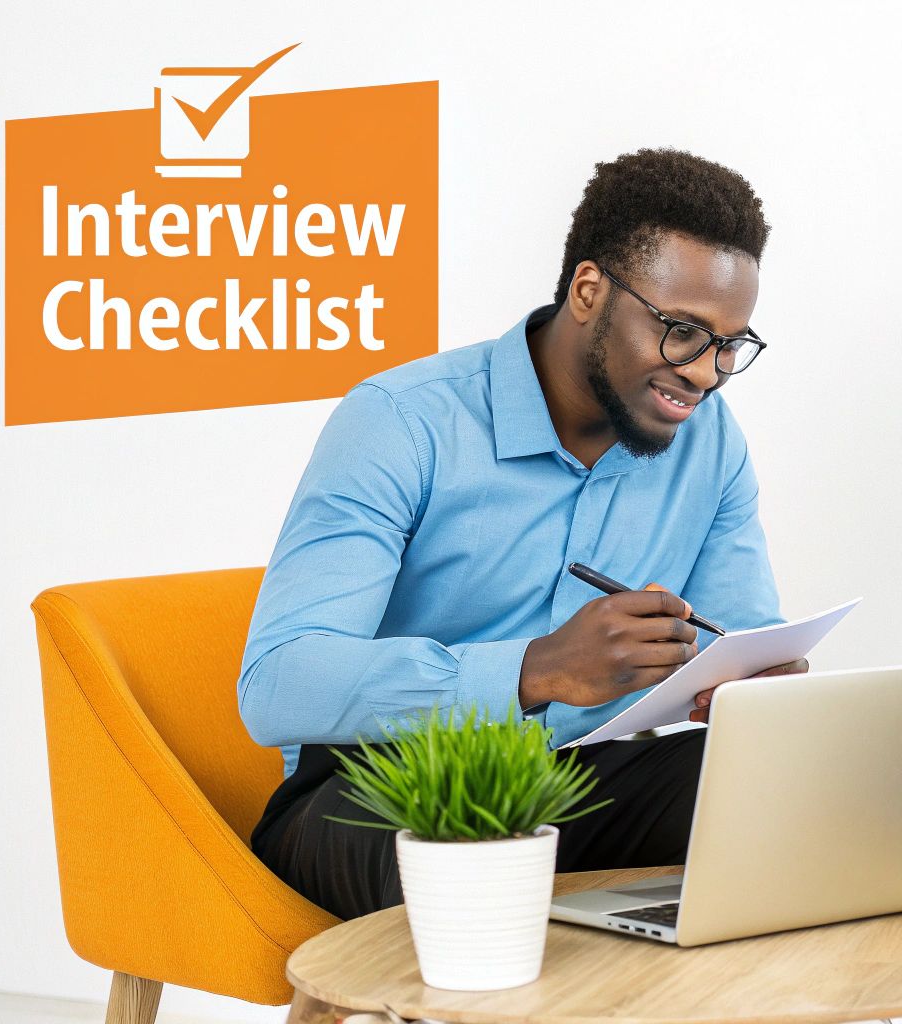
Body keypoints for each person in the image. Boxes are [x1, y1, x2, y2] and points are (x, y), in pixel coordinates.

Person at [239, 148, 806, 920]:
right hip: (378, 789)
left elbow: (736, 636)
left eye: (729, 346)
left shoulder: (711, 444)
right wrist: (534, 672)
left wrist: (751, 690)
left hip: (578, 781)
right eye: (681, 332)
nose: (704, 373)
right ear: (588, 289)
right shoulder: (403, 422)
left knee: (780, 784)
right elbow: (276, 685)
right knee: (462, 855)